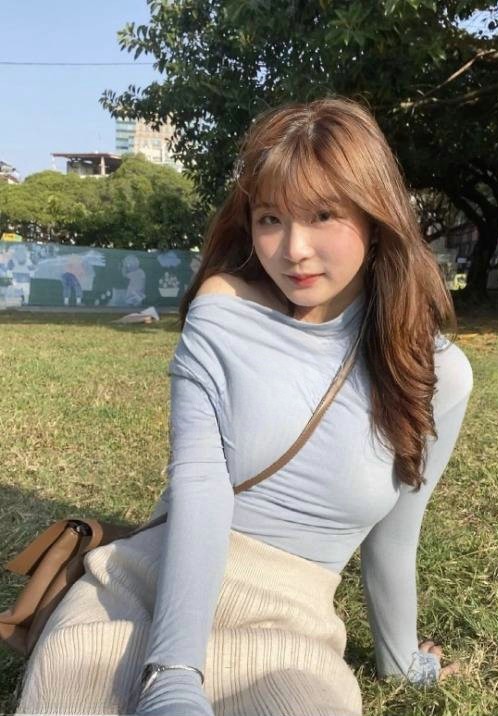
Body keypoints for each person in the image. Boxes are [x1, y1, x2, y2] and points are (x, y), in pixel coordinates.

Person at [15, 96, 472, 716]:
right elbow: (200, 487)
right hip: (149, 586)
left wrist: (401, 664)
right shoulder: (224, 310)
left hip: (291, 624)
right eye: (270, 219)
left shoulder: (437, 373)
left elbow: (393, 538)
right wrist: (174, 675)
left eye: (323, 214)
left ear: (374, 214)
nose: (294, 249)